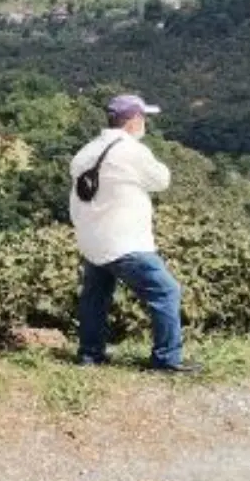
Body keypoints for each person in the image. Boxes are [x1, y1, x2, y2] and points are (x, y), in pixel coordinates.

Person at [68, 95, 199, 374]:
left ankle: (90, 355)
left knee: (96, 296)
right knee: (166, 291)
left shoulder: (86, 151)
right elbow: (161, 180)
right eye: (144, 118)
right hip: (125, 241)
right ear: (134, 120)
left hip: (92, 240)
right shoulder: (132, 151)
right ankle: (167, 359)